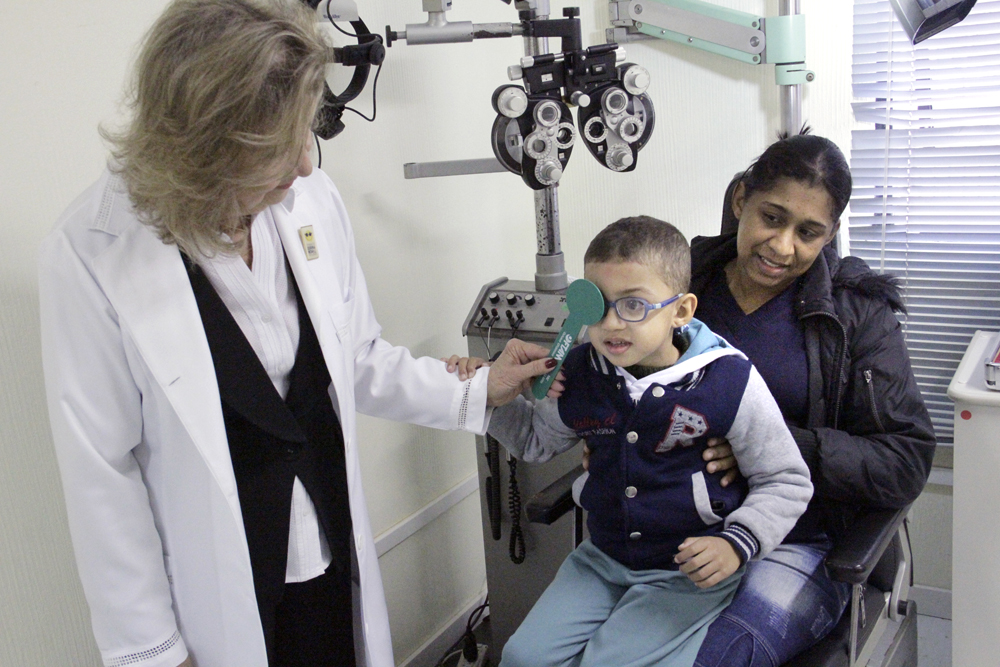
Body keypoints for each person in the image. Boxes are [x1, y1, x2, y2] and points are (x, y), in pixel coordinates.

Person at [37, 2, 553, 666]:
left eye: (307, 134)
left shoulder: (307, 200)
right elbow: (103, 473)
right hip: (219, 596)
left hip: (328, 547)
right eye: (283, 146)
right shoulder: (90, 253)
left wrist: (482, 386)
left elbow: (356, 358)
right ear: (210, 146)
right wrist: (153, 651)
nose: (307, 165)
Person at [486, 216, 814, 667]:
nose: (612, 323)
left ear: (681, 310)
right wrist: (486, 395)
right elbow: (535, 441)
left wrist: (737, 543)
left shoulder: (729, 379)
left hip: (684, 572)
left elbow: (786, 480)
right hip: (600, 560)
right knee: (522, 657)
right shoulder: (580, 372)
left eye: (634, 306)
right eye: (598, 304)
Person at [689, 132, 937, 667]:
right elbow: (602, 366)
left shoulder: (858, 314)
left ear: (831, 235)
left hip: (801, 543)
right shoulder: (678, 279)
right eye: (771, 218)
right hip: (681, 527)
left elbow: (905, 458)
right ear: (740, 201)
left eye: (808, 232)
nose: (782, 246)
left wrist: (775, 445)